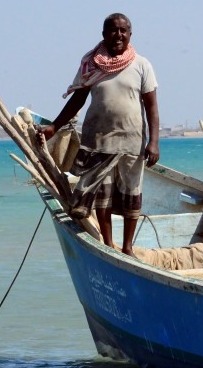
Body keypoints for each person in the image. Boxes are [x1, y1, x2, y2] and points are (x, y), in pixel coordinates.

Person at [39, 13, 160, 257]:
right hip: (98, 141)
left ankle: (127, 248)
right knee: (102, 196)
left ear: (130, 34)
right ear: (104, 34)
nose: (118, 35)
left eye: (123, 30)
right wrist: (54, 126)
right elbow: (78, 100)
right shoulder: (91, 64)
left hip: (132, 141)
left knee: (131, 194)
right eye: (113, 30)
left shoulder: (142, 65)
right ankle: (108, 243)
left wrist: (154, 142)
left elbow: (152, 107)